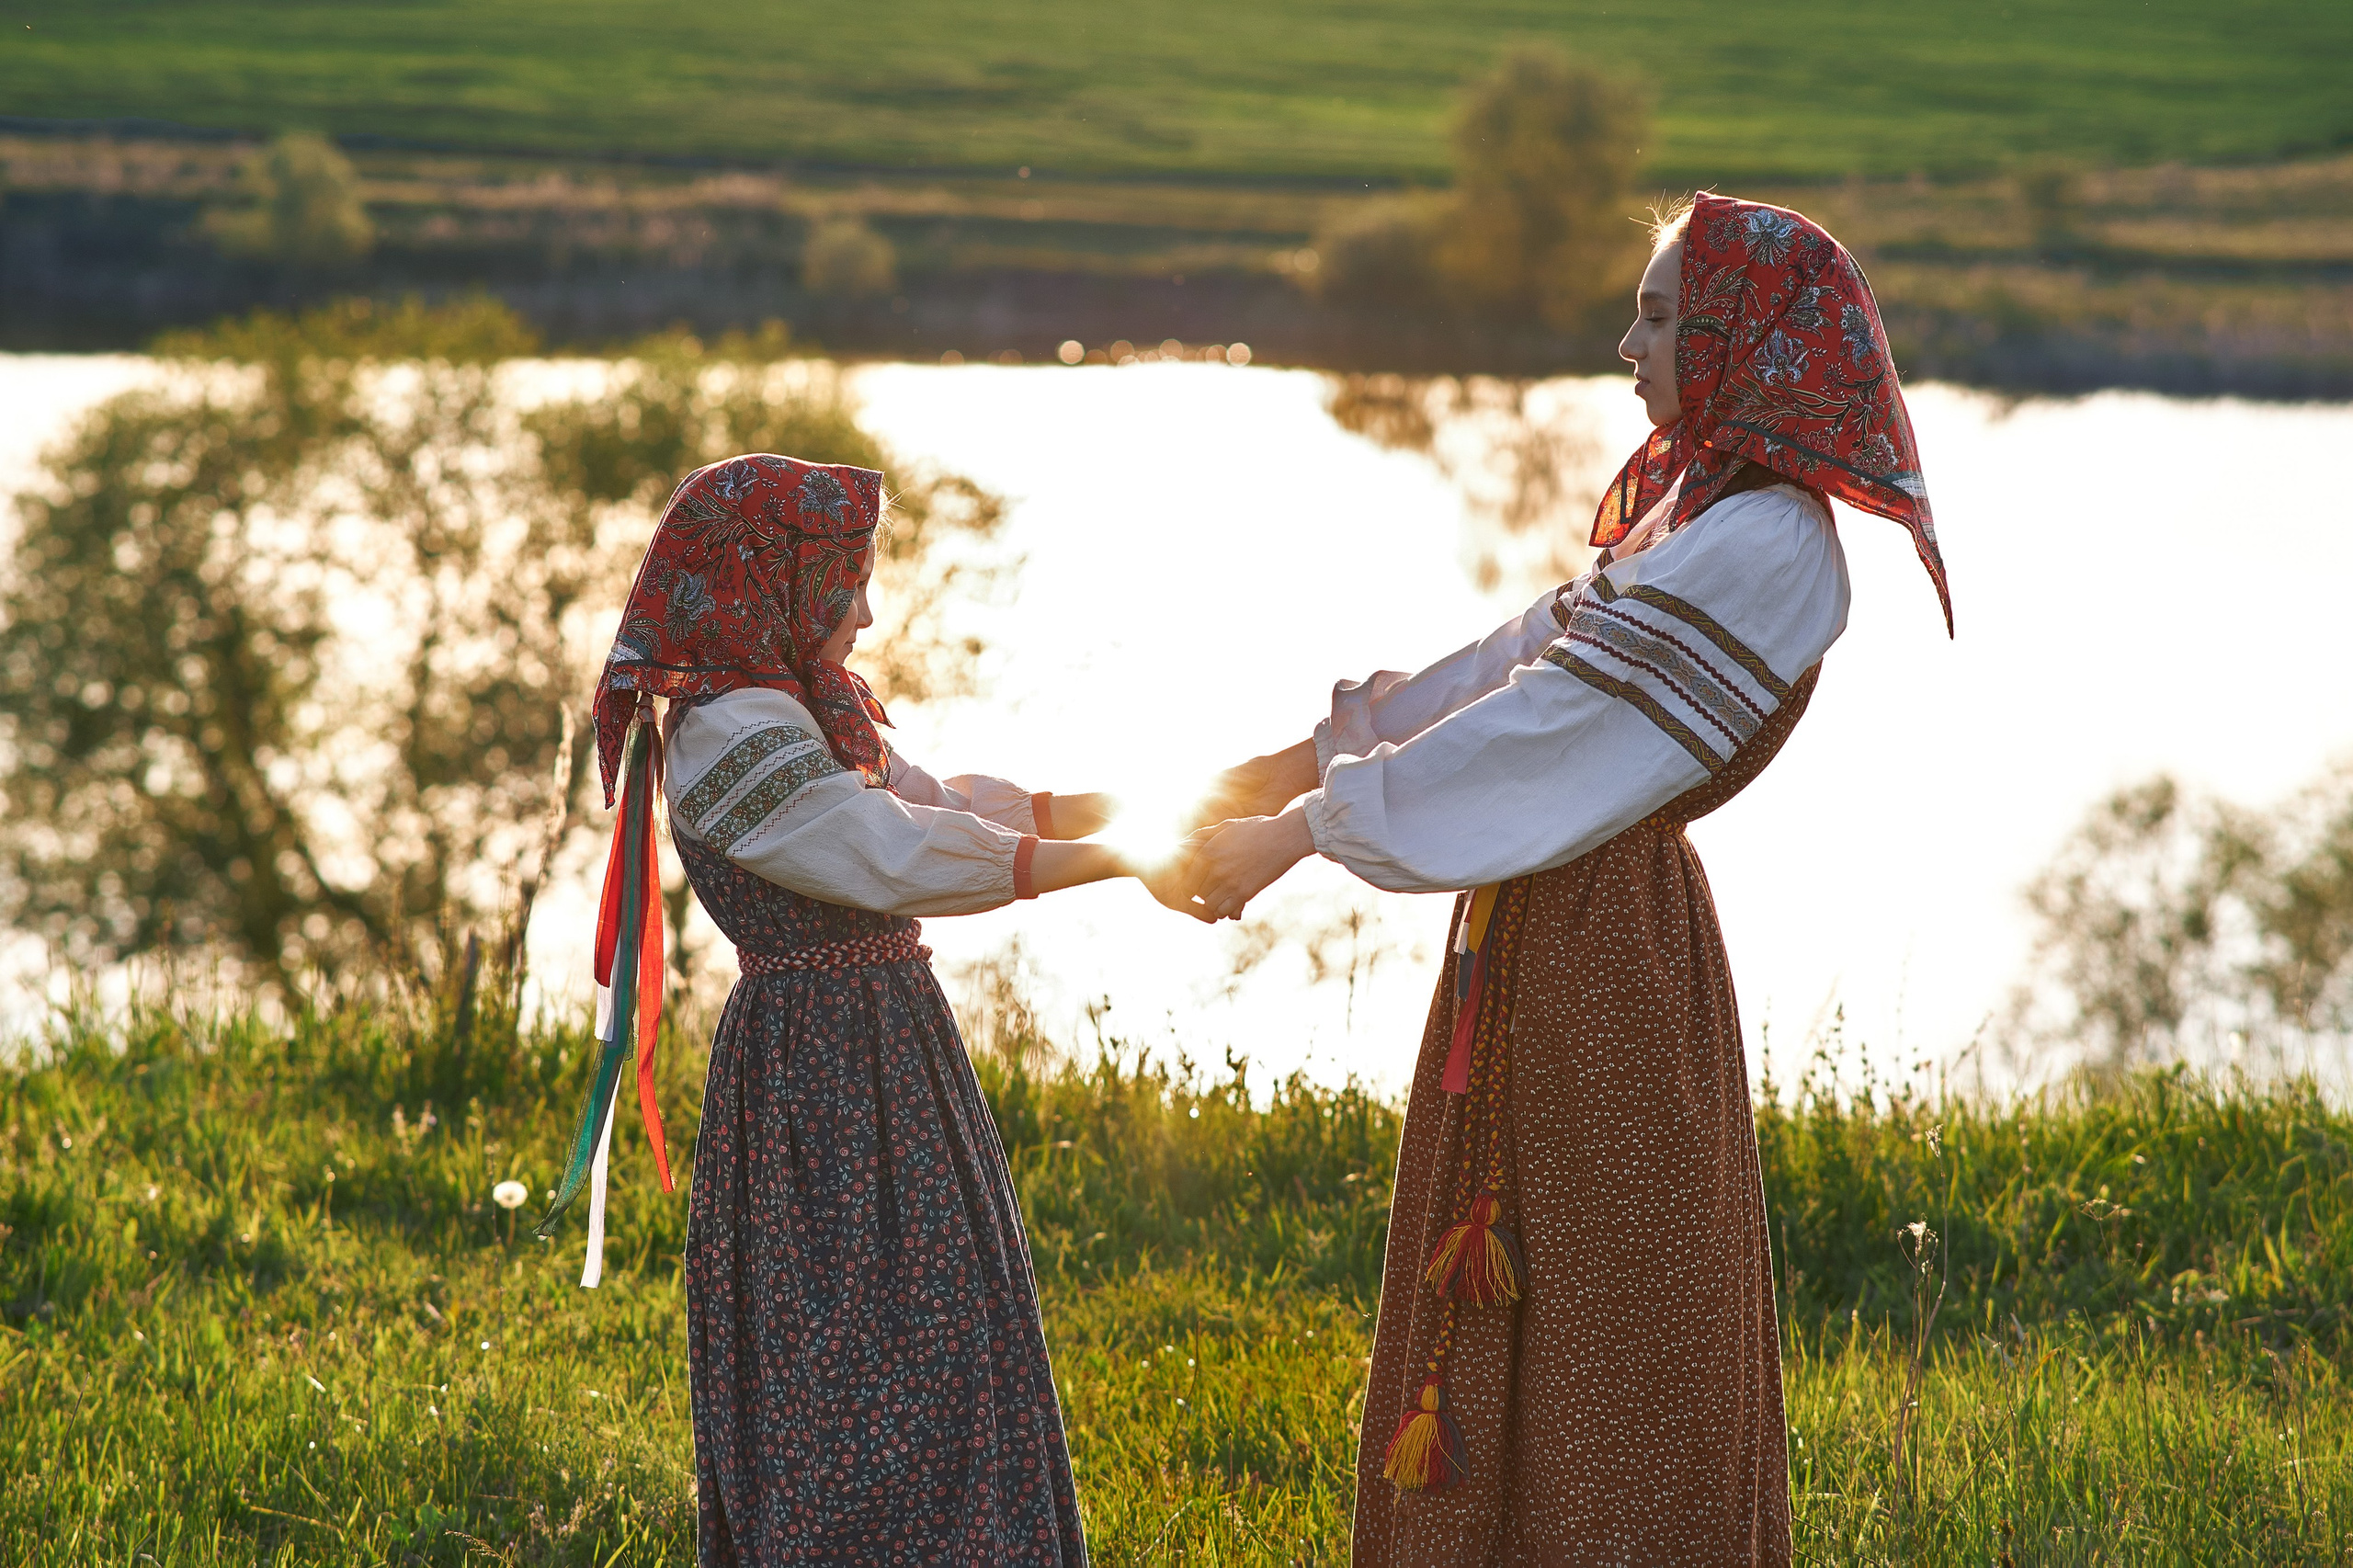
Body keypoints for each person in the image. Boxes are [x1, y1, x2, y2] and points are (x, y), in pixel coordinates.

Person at [1181, 192, 1951, 1563]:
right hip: (1550, 930)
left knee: (1614, 1303)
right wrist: (1280, 767)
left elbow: (1554, 722)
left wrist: (1303, 830)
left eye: (1658, 317)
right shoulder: (1690, 511)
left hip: (1612, 961)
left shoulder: (1770, 546)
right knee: (1519, 1284)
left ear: (1741, 339)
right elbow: (1514, 661)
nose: (1628, 346)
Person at [563, 452, 1181, 1565]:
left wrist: (1165, 804)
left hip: (890, 1048)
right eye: (849, 582)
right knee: (853, 1357)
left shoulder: (806, 705)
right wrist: (1123, 857)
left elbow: (937, 806)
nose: (868, 611)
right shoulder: (728, 733)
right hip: (821, 1076)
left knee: (947, 1336)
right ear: (775, 580)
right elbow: (890, 851)